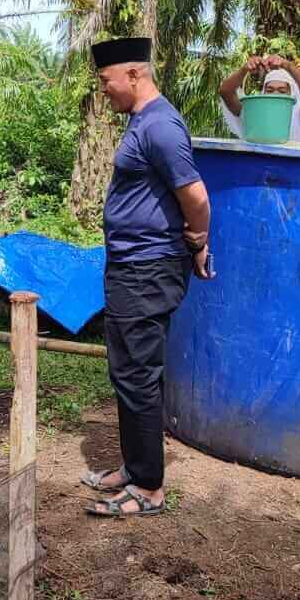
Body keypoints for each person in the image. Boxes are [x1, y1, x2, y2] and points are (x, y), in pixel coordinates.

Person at [82, 37, 214, 519]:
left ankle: (150, 489)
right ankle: (135, 467)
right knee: (127, 372)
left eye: (106, 81)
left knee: (138, 375)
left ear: (134, 74)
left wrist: (197, 243)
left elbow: (196, 198)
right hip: (130, 267)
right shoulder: (142, 122)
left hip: (147, 269)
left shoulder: (161, 126)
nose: (105, 90)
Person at [217, 54, 300, 143]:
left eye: (282, 91)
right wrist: (245, 69)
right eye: (270, 90)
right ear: (264, 92)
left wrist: (287, 65)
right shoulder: (254, 115)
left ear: (291, 93)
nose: (275, 94)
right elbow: (225, 91)